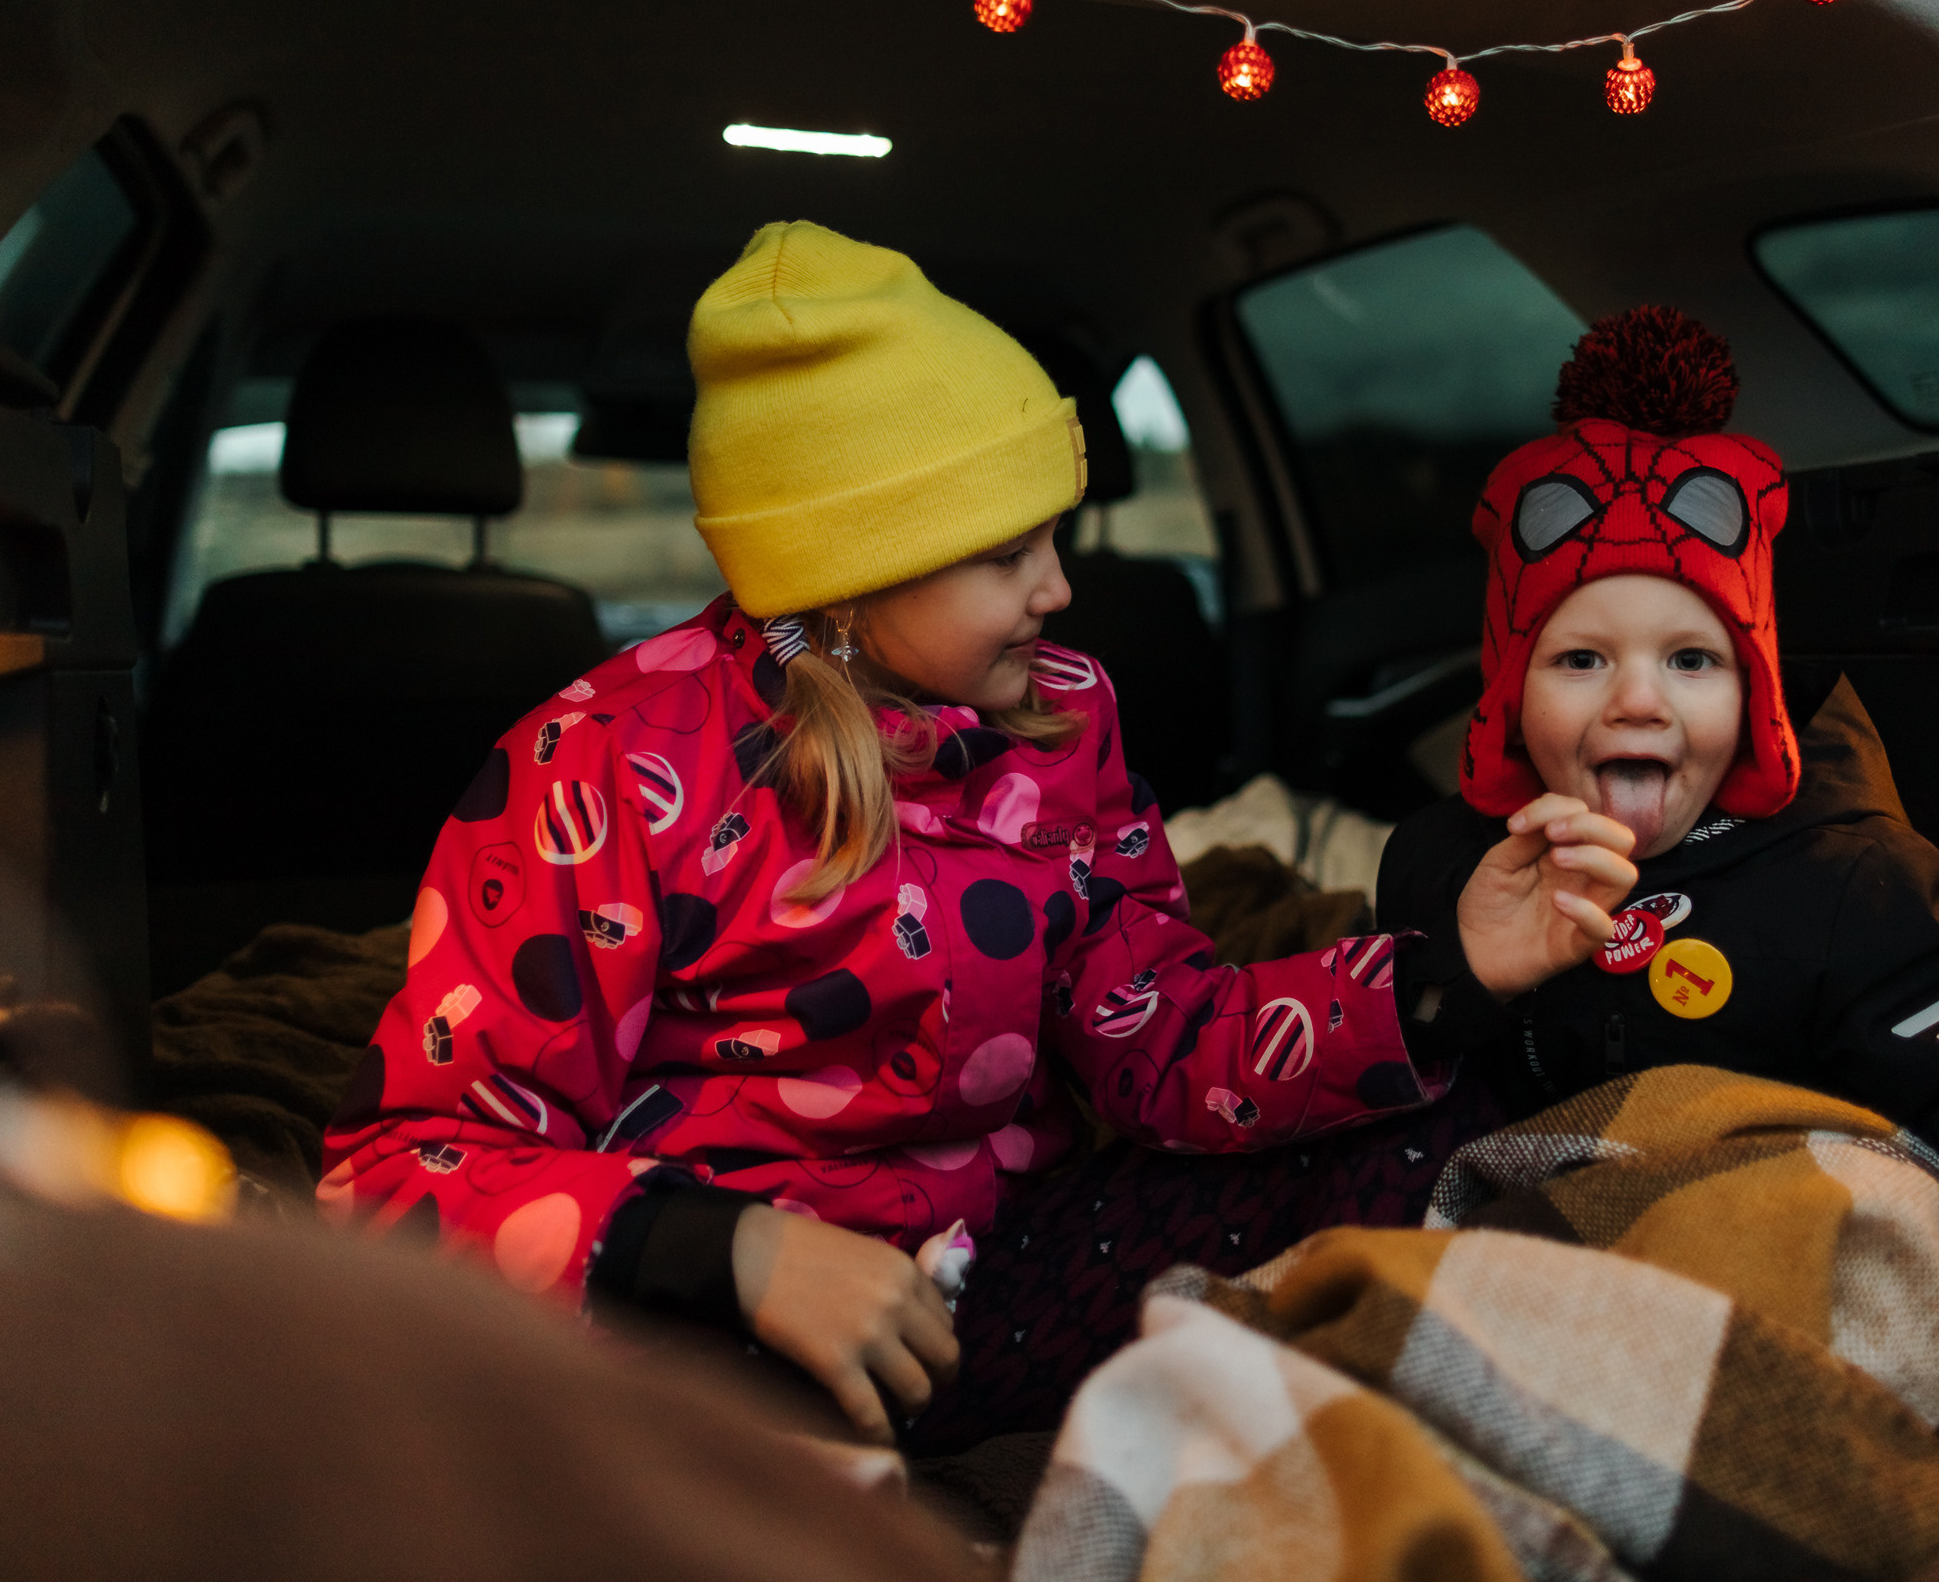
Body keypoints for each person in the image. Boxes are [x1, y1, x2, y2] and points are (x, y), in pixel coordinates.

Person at [320, 221, 1625, 1444]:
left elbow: (1160, 1043)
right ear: (847, 569)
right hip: (700, 1332)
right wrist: (732, 1253)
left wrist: (1437, 973)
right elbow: (400, 1171)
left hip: (986, 1276)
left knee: (1438, 1130)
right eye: (1009, 554)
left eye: (1054, 537)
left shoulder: (1065, 712)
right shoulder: (602, 759)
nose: (1058, 587)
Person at [1377, 306, 1939, 1537]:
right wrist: (1458, 966)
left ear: (1754, 689)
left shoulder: (1847, 880)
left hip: (1768, 1261)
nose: (1639, 704)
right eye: (1580, 661)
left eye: (1692, 661)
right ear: (1507, 691)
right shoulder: (1448, 864)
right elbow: (1402, 1039)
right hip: (1538, 1275)